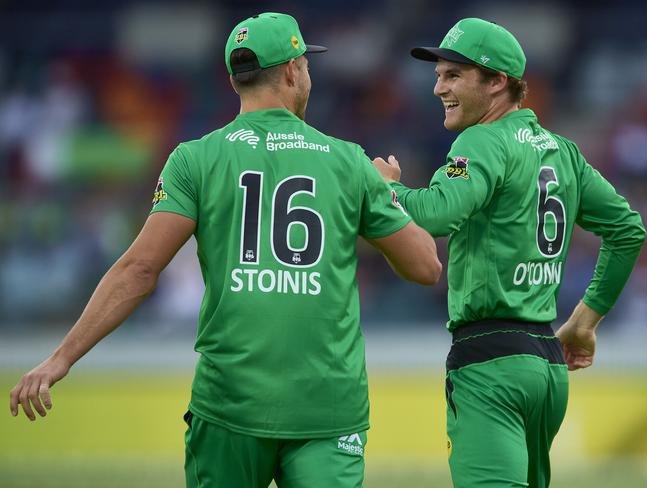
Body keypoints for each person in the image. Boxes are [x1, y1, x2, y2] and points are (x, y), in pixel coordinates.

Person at [9, 12, 442, 488]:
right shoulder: (348, 160)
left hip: (228, 406)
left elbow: (138, 269)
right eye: (307, 65)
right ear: (294, 70)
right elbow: (424, 266)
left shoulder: (195, 159)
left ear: (237, 80)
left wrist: (61, 358)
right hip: (328, 409)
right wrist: (388, 194)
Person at [372, 17, 646, 488]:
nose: (438, 88)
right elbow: (627, 230)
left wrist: (386, 191)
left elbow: (437, 214)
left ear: (498, 82)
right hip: (545, 368)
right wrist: (584, 321)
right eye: (438, 75)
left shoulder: (480, 141)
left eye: (453, 75)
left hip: (489, 361)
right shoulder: (563, 151)